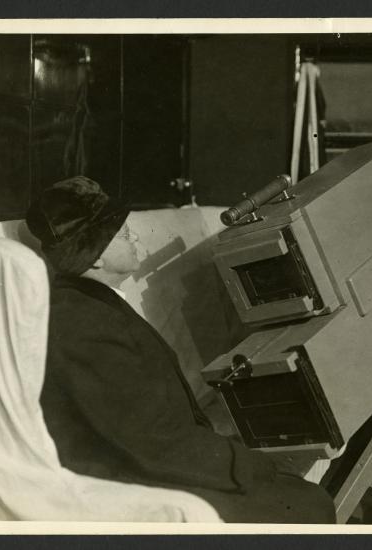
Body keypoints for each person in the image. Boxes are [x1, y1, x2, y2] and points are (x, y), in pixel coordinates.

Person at [25, 176, 336, 523]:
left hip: (156, 465)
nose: (137, 238)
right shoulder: (81, 324)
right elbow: (152, 446)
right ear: (94, 257)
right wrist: (253, 466)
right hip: (133, 487)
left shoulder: (91, 304)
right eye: (125, 235)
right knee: (309, 505)